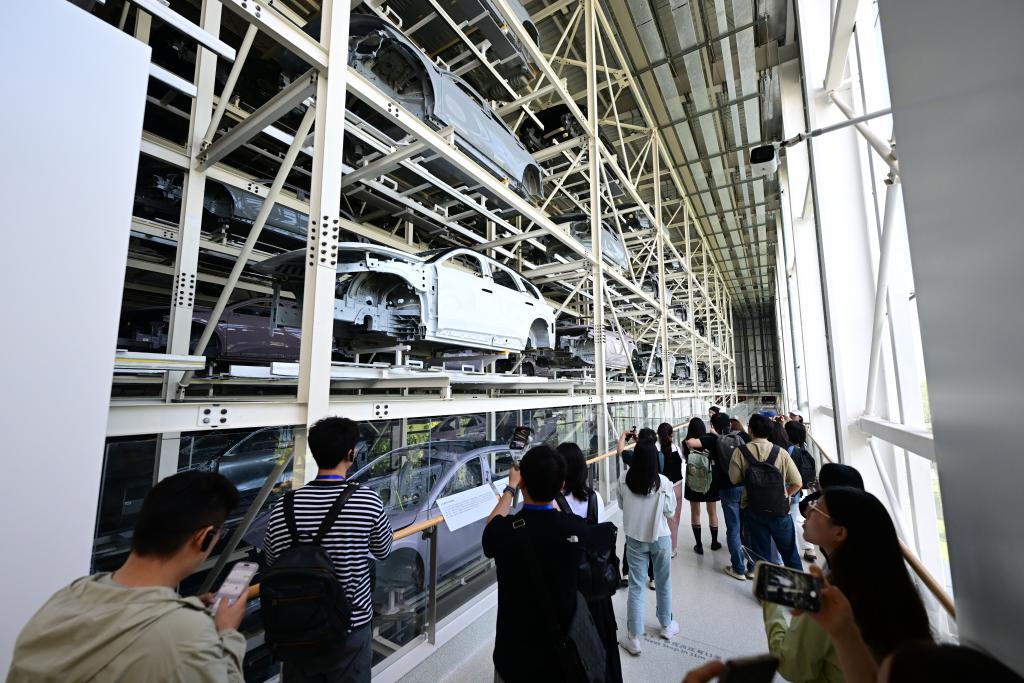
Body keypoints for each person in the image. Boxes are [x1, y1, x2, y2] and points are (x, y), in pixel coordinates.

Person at [6, 471, 247, 683]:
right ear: (204, 537)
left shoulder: (69, 595)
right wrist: (227, 633)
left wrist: (177, 610)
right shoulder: (187, 633)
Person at [263, 416, 394, 683]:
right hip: (351, 625)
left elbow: (272, 559)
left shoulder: (282, 508)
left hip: (298, 627)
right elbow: (383, 550)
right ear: (350, 455)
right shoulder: (367, 500)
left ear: (315, 453)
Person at [483, 445, 592, 682]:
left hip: (514, 655)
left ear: (522, 482)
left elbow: (492, 523)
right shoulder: (575, 529)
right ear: (562, 485)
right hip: (560, 656)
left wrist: (510, 488)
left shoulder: (506, 532)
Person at [554, 442, 622, 683]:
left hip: (569, 585)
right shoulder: (595, 498)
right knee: (600, 640)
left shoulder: (554, 503)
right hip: (595, 585)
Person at [618, 440, 678, 655]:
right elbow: (670, 512)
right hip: (661, 538)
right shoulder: (663, 482)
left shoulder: (624, 479)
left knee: (636, 586)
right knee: (663, 582)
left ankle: (634, 638)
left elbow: (621, 505)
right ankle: (666, 625)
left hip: (635, 538)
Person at [729, 413, 803, 573]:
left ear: (750, 430)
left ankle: (766, 586)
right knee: (790, 555)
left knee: (761, 557)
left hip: (753, 509)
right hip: (779, 510)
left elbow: (734, 479)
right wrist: (786, 494)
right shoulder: (781, 452)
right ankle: (799, 585)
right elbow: (798, 482)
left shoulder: (740, 452)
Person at [687, 411, 746, 580]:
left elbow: (690, 443)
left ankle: (737, 567)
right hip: (743, 485)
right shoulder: (741, 436)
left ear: (713, 426)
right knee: (744, 525)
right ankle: (750, 566)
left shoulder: (711, 439)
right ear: (730, 424)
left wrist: (711, 434)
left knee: (731, 526)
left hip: (719, 484)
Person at [680, 417, 720, 556]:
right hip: (709, 478)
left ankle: (699, 545)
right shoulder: (710, 440)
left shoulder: (685, 443)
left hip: (693, 478)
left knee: (695, 512)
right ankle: (714, 542)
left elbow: (685, 458)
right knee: (712, 511)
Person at [657, 422, 687, 557]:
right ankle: (673, 548)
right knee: (675, 519)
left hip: (662, 488)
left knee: (662, 520)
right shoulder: (676, 448)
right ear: (671, 435)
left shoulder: (655, 448)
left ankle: (664, 547)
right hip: (677, 487)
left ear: (658, 434)